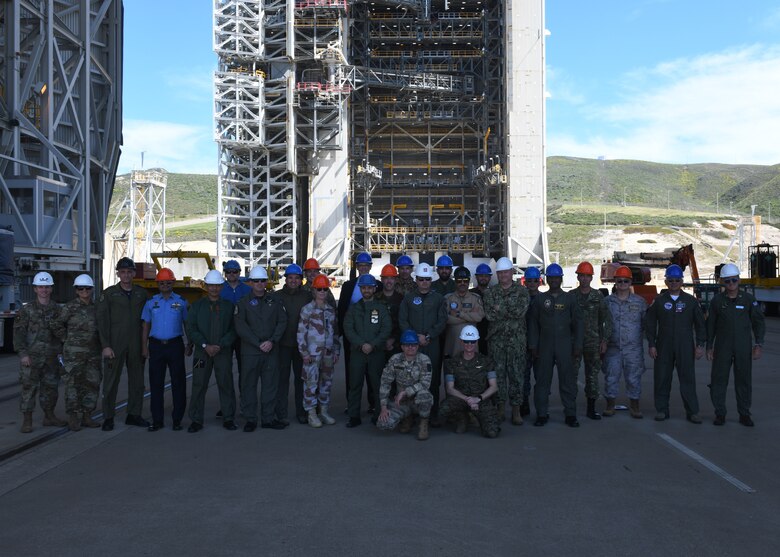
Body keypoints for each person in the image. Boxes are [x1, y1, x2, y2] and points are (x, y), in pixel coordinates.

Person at [644, 264, 706, 423]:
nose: (673, 283)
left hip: (685, 346)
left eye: (677, 280)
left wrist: (700, 345)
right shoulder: (658, 301)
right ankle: (662, 410)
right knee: (662, 378)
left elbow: (700, 325)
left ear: (681, 281)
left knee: (687, 379)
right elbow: (650, 324)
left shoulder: (690, 301)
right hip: (663, 346)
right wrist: (651, 344)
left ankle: (693, 412)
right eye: (670, 280)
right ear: (666, 281)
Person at [706, 263, 765, 426]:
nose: (731, 283)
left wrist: (758, 344)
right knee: (718, 380)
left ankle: (744, 414)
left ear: (739, 280)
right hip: (722, 347)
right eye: (727, 281)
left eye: (734, 280)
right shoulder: (717, 301)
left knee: (744, 381)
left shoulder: (748, 300)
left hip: (743, 348)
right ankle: (720, 413)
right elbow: (711, 325)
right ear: (722, 282)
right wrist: (709, 346)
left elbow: (758, 323)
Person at [96, 257, 150, 431]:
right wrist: (105, 345)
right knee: (111, 382)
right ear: (118, 273)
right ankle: (108, 417)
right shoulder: (109, 294)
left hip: (135, 343)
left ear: (134, 273)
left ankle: (134, 414)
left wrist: (145, 345)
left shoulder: (141, 294)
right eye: (123, 272)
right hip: (115, 344)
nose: (126, 275)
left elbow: (147, 320)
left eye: (129, 272)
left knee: (138, 381)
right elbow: (102, 322)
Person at [528, 263, 583, 428]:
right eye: (551, 277)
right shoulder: (539, 299)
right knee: (542, 381)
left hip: (565, 346)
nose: (554, 280)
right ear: (546, 279)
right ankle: (542, 414)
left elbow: (578, 324)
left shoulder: (570, 299)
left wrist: (578, 345)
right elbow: (533, 324)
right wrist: (533, 345)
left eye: (556, 277)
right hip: (544, 346)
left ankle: (571, 414)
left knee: (568, 381)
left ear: (561, 279)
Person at [234, 265, 288, 431]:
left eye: (262, 281)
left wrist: (272, 341)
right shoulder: (242, 303)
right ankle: (251, 419)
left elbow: (282, 322)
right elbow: (240, 326)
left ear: (266, 282)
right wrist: (258, 343)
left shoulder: (275, 301)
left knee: (270, 385)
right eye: (256, 281)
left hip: (271, 350)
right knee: (248, 385)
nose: (259, 284)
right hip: (251, 351)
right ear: (250, 282)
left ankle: (268, 418)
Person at [185, 269, 238, 432]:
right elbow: (191, 328)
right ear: (206, 285)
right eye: (211, 285)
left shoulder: (229, 307)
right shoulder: (197, 307)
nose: (214, 288)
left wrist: (221, 345)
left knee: (226, 384)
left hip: (222, 352)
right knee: (199, 385)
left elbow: (233, 329)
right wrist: (204, 345)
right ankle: (196, 420)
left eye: (217, 285)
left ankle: (228, 418)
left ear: (222, 286)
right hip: (202, 352)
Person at [141, 268, 192, 431]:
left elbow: (187, 324)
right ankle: (157, 420)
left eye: (168, 282)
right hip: (156, 346)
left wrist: (190, 343)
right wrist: (144, 347)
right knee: (156, 384)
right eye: (161, 282)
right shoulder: (150, 303)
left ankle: (177, 420)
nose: (164, 285)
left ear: (173, 283)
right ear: (157, 284)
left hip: (175, 346)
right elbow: (145, 326)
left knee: (179, 383)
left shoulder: (182, 302)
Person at [14, 272, 65, 433]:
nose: (44, 290)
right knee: (29, 388)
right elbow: (19, 335)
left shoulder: (58, 309)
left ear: (51, 289)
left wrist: (62, 353)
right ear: (35, 289)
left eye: (47, 287)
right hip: (32, 358)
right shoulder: (26, 310)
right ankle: (27, 420)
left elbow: (63, 333)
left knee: (51, 388)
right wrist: (23, 355)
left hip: (51, 357)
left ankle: (49, 416)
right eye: (41, 287)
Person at [399, 262, 447, 424]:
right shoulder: (409, 298)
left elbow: (442, 320)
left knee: (432, 379)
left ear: (431, 280)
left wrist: (429, 335)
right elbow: (403, 320)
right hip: (412, 346)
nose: (424, 282)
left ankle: (431, 415)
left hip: (431, 344)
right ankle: (411, 415)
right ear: (416, 279)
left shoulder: (438, 299)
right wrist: (414, 337)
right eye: (421, 279)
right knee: (411, 379)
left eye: (427, 279)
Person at [52, 274, 101, 431]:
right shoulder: (69, 307)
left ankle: (87, 415)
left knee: (92, 383)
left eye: (87, 288)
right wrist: (66, 338)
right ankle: (74, 416)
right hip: (73, 354)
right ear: (76, 290)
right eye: (81, 288)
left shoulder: (97, 307)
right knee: (73, 384)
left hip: (93, 353)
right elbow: (55, 324)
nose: (84, 291)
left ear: (92, 289)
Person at [483, 257, 529, 425]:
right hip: (496, 342)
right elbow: (489, 314)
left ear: (512, 273)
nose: (503, 275)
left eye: (506, 272)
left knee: (517, 375)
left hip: (517, 341)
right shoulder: (490, 292)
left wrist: (499, 308)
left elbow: (520, 312)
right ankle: (500, 408)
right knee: (499, 376)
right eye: (500, 273)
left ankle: (516, 410)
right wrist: (508, 308)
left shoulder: (522, 291)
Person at [343, 274, 391, 427]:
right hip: (358, 353)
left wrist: (373, 344)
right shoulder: (354, 308)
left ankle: (378, 414)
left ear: (374, 288)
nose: (366, 290)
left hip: (376, 353)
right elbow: (348, 328)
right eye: (364, 288)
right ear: (361, 289)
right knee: (355, 385)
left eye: (369, 287)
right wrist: (361, 344)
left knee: (377, 385)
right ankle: (354, 416)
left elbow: (386, 328)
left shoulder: (381, 308)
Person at [603, 266, 647, 418]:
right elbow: (601, 323)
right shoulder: (607, 302)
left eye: (625, 281)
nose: (622, 283)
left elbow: (646, 324)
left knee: (633, 378)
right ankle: (610, 405)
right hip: (612, 348)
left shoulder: (640, 302)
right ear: (615, 282)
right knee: (610, 377)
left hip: (633, 349)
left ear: (630, 282)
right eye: (619, 281)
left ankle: (635, 406)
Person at [440, 325, 500, 438]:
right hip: (461, 399)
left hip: (481, 399)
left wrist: (478, 399)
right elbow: (450, 388)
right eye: (466, 341)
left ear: (476, 342)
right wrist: (468, 400)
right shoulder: (452, 363)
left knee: (492, 433)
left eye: (472, 342)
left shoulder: (486, 361)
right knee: (442, 411)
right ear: (462, 342)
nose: (469, 345)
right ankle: (463, 417)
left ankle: (476, 416)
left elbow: (494, 386)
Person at [297, 274, 341, 428]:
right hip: (312, 354)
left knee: (326, 383)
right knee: (311, 384)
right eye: (319, 289)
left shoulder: (330, 309)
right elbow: (301, 333)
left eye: (325, 289)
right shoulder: (307, 310)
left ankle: (323, 411)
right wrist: (304, 353)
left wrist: (336, 350)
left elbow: (335, 332)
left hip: (328, 353)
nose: (322, 292)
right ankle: (311, 413)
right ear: (313, 291)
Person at [572, 261, 613, 420]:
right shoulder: (571, 297)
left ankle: (591, 408)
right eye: (581, 276)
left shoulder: (598, 296)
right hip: (575, 343)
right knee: (572, 375)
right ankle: (571, 407)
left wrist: (605, 340)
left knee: (592, 376)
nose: (584, 279)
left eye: (587, 276)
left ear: (591, 278)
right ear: (578, 277)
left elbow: (606, 320)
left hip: (593, 342)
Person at [376, 329, 434, 441]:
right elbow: (385, 382)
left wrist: (405, 391)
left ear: (418, 346)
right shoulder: (395, 359)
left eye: (413, 345)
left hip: (418, 399)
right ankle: (407, 418)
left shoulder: (424, 360)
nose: (411, 347)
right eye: (407, 345)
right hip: (402, 402)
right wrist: (383, 407)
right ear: (402, 347)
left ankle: (423, 424)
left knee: (425, 396)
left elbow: (425, 383)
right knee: (383, 424)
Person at [274, 263, 312, 426]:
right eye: (290, 278)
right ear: (286, 279)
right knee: (281, 381)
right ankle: (281, 413)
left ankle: (302, 412)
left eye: (297, 278)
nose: (293, 281)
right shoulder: (276, 297)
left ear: (301, 280)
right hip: (282, 345)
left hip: (301, 347)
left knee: (301, 380)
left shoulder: (307, 297)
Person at [337, 252, 374, 406]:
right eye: (361, 265)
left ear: (370, 267)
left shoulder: (377, 285)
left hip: (371, 336)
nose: (363, 268)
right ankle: (351, 404)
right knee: (352, 372)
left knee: (372, 372)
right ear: (357, 267)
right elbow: (341, 310)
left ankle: (373, 404)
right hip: (351, 337)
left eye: (366, 265)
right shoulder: (348, 286)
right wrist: (342, 333)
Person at [218, 259, 250, 417]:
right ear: (225, 274)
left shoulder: (247, 289)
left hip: (243, 336)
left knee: (245, 372)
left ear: (239, 273)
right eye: (229, 272)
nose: (232, 274)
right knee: (225, 371)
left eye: (235, 272)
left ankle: (245, 403)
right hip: (225, 335)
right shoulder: (219, 289)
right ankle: (226, 405)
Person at [443, 266, 485, 359]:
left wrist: (459, 314)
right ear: (455, 281)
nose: (462, 283)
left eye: (465, 280)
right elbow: (446, 319)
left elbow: (479, 317)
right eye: (459, 280)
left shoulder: (475, 298)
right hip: (453, 344)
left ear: (469, 281)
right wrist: (470, 318)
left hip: (471, 344)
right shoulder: (448, 298)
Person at [521, 266, 543, 416]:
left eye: (535, 280)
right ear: (525, 282)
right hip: (522, 343)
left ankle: (541, 406)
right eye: (530, 280)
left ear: (539, 281)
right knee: (523, 377)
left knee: (541, 377)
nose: (533, 283)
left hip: (540, 345)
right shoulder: (521, 300)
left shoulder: (544, 300)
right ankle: (524, 404)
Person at [375, 263, 404, 360]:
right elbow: (372, 322)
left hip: (396, 345)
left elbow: (403, 323)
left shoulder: (401, 300)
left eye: (391, 278)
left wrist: (393, 339)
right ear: (382, 280)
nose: (388, 281)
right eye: (386, 278)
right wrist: (382, 340)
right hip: (377, 344)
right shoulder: (375, 299)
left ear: (396, 280)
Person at [469, 262, 492, 354]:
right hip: (474, 330)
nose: (483, 278)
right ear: (476, 277)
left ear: (490, 277)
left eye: (486, 276)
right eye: (481, 275)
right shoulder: (470, 293)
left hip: (490, 332)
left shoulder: (495, 293)